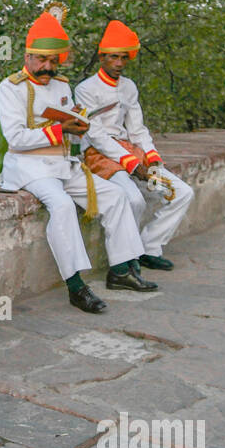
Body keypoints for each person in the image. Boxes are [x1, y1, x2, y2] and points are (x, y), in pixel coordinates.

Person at [0, 6, 158, 311]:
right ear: (27, 56)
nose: (48, 66)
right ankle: (76, 285)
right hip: (31, 168)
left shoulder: (61, 84)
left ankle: (121, 270)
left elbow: (73, 128)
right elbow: (15, 138)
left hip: (64, 163)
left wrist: (79, 126)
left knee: (116, 196)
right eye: (41, 59)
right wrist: (60, 129)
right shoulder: (9, 87)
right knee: (63, 206)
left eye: (54, 60)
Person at [75, 20, 194, 271]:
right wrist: (131, 166)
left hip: (132, 153)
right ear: (101, 57)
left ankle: (149, 247)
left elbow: (137, 129)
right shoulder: (85, 89)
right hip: (100, 157)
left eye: (123, 58)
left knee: (181, 192)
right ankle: (126, 261)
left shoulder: (129, 87)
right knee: (134, 199)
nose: (118, 63)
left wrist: (151, 157)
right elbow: (96, 136)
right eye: (113, 57)